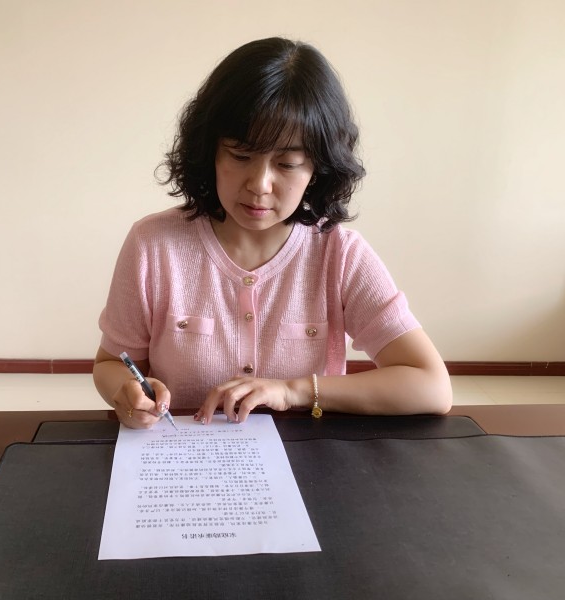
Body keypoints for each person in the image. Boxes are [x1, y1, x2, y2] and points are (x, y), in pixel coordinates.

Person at [93, 37, 452, 429]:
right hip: (183, 454)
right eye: (241, 155)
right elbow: (112, 363)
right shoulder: (152, 244)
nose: (260, 184)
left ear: (318, 168)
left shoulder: (339, 255)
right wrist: (125, 392)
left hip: (305, 457)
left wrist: (293, 391)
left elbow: (431, 387)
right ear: (210, 151)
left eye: (287, 163)